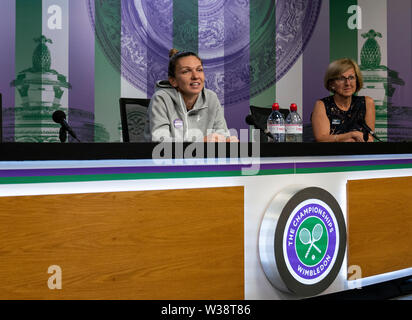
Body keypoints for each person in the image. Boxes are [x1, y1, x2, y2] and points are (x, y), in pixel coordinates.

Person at [144, 49, 238, 142]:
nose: (195, 76)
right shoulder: (161, 99)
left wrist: (227, 141)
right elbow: (160, 141)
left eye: (199, 70)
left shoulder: (211, 98)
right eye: (186, 71)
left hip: (204, 156)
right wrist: (202, 142)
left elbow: (222, 134)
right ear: (173, 81)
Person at [311, 58, 376, 142]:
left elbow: (369, 138)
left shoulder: (367, 102)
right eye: (341, 78)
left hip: (359, 154)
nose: (347, 83)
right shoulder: (322, 105)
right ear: (331, 83)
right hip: (331, 154)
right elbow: (321, 138)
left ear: (357, 80)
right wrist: (352, 134)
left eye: (351, 77)